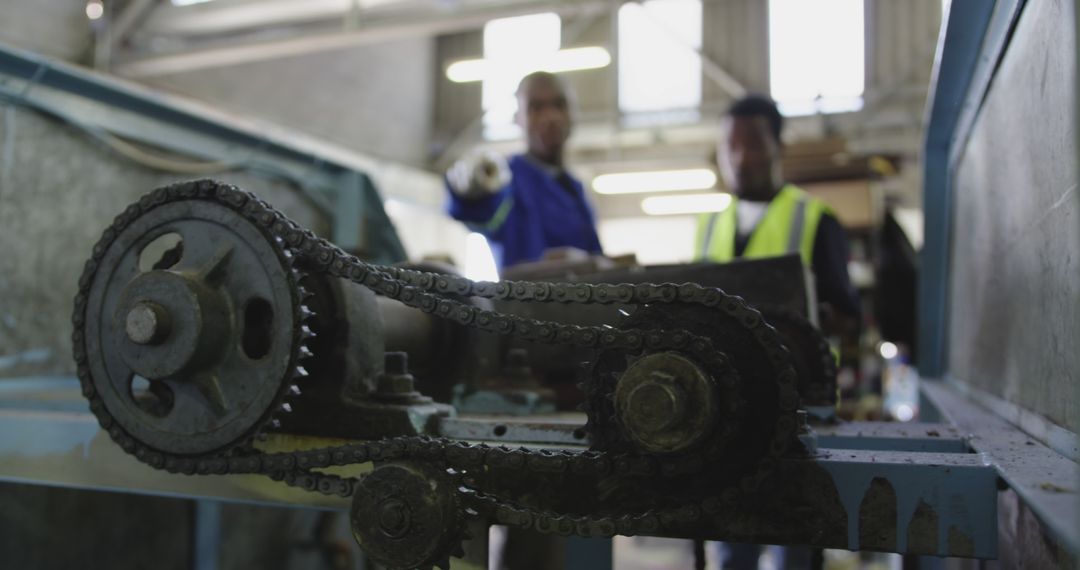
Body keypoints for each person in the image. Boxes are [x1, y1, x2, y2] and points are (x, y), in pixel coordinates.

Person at [696, 94, 860, 334]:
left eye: (753, 146)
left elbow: (846, 317)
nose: (739, 160)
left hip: (797, 369)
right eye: (731, 146)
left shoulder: (815, 219)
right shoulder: (708, 225)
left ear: (778, 148)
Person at [446, 71, 603, 269]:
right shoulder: (507, 182)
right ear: (517, 118)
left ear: (574, 113)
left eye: (559, 105)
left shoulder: (576, 192)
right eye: (536, 108)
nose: (550, 116)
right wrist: (469, 188)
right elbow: (483, 212)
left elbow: (596, 257)